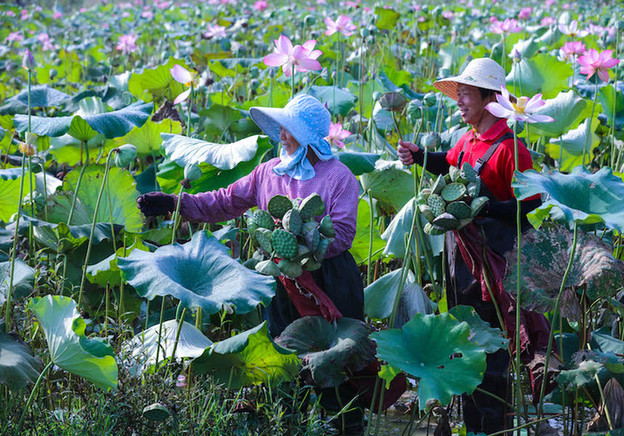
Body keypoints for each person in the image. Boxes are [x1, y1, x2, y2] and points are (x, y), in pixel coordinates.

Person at [137, 94, 366, 434]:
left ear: (311, 136)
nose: (282, 136)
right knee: (288, 360)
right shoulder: (266, 173)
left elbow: (343, 233)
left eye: (290, 130)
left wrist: (301, 245)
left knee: (338, 364)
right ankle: (294, 424)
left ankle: (346, 426)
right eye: (283, 129)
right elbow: (225, 202)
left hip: (330, 279)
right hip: (281, 282)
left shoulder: (339, 177)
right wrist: (175, 202)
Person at [398, 58, 546, 434]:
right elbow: (448, 168)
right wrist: (418, 157)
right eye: (459, 95)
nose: (459, 102)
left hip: (495, 259)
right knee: (464, 335)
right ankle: (471, 422)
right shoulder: (466, 140)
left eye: (465, 95)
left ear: (489, 98)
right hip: (458, 256)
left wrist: (485, 209)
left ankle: (492, 425)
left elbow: (532, 201)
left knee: (491, 342)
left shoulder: (511, 146)